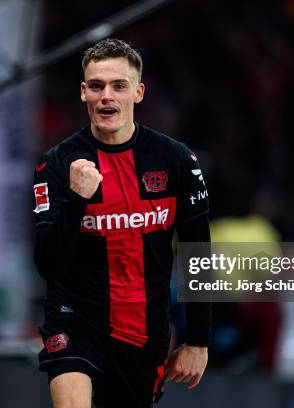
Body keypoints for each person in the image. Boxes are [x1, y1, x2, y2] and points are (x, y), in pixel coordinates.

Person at [33, 38, 211, 408]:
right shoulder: (56, 164)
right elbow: (48, 263)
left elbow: (199, 254)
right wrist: (77, 200)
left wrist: (198, 341)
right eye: (96, 86)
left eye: (118, 86)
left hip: (143, 331)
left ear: (139, 92)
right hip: (75, 319)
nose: (106, 96)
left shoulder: (175, 160)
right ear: (83, 92)